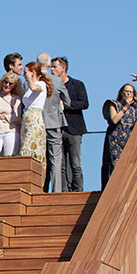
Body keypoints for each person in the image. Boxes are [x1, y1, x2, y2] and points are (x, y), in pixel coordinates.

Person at [37, 53, 71, 191]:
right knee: (56, 159)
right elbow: (68, 102)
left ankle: (39, 188)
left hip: (37, 123)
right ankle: (56, 190)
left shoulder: (34, 79)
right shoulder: (57, 81)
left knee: (38, 157)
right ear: (49, 64)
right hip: (54, 122)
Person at [54, 57, 89, 192]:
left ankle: (78, 190)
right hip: (58, 128)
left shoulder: (77, 84)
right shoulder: (52, 86)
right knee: (60, 164)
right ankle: (63, 191)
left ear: (63, 68)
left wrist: (67, 105)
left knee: (75, 163)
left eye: (55, 67)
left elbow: (84, 103)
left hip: (74, 128)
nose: (52, 69)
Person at [101, 83, 137, 189]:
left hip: (128, 141)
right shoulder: (114, 104)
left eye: (130, 92)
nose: (128, 94)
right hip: (114, 141)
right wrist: (125, 107)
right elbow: (114, 119)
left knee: (128, 166)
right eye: (126, 91)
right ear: (121, 93)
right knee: (115, 166)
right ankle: (112, 188)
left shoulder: (135, 109)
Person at [18, 61, 52, 165]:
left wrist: (29, 78)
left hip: (35, 118)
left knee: (32, 145)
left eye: (26, 72)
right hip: (27, 118)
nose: (24, 75)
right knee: (25, 143)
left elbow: (34, 88)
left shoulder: (41, 84)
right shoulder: (28, 88)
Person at [0, 73, 23, 157]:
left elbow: (17, 117)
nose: (7, 85)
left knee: (9, 157)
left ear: (14, 86)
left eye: (10, 83)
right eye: (5, 82)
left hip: (10, 131)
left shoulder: (16, 99)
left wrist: (1, 116)